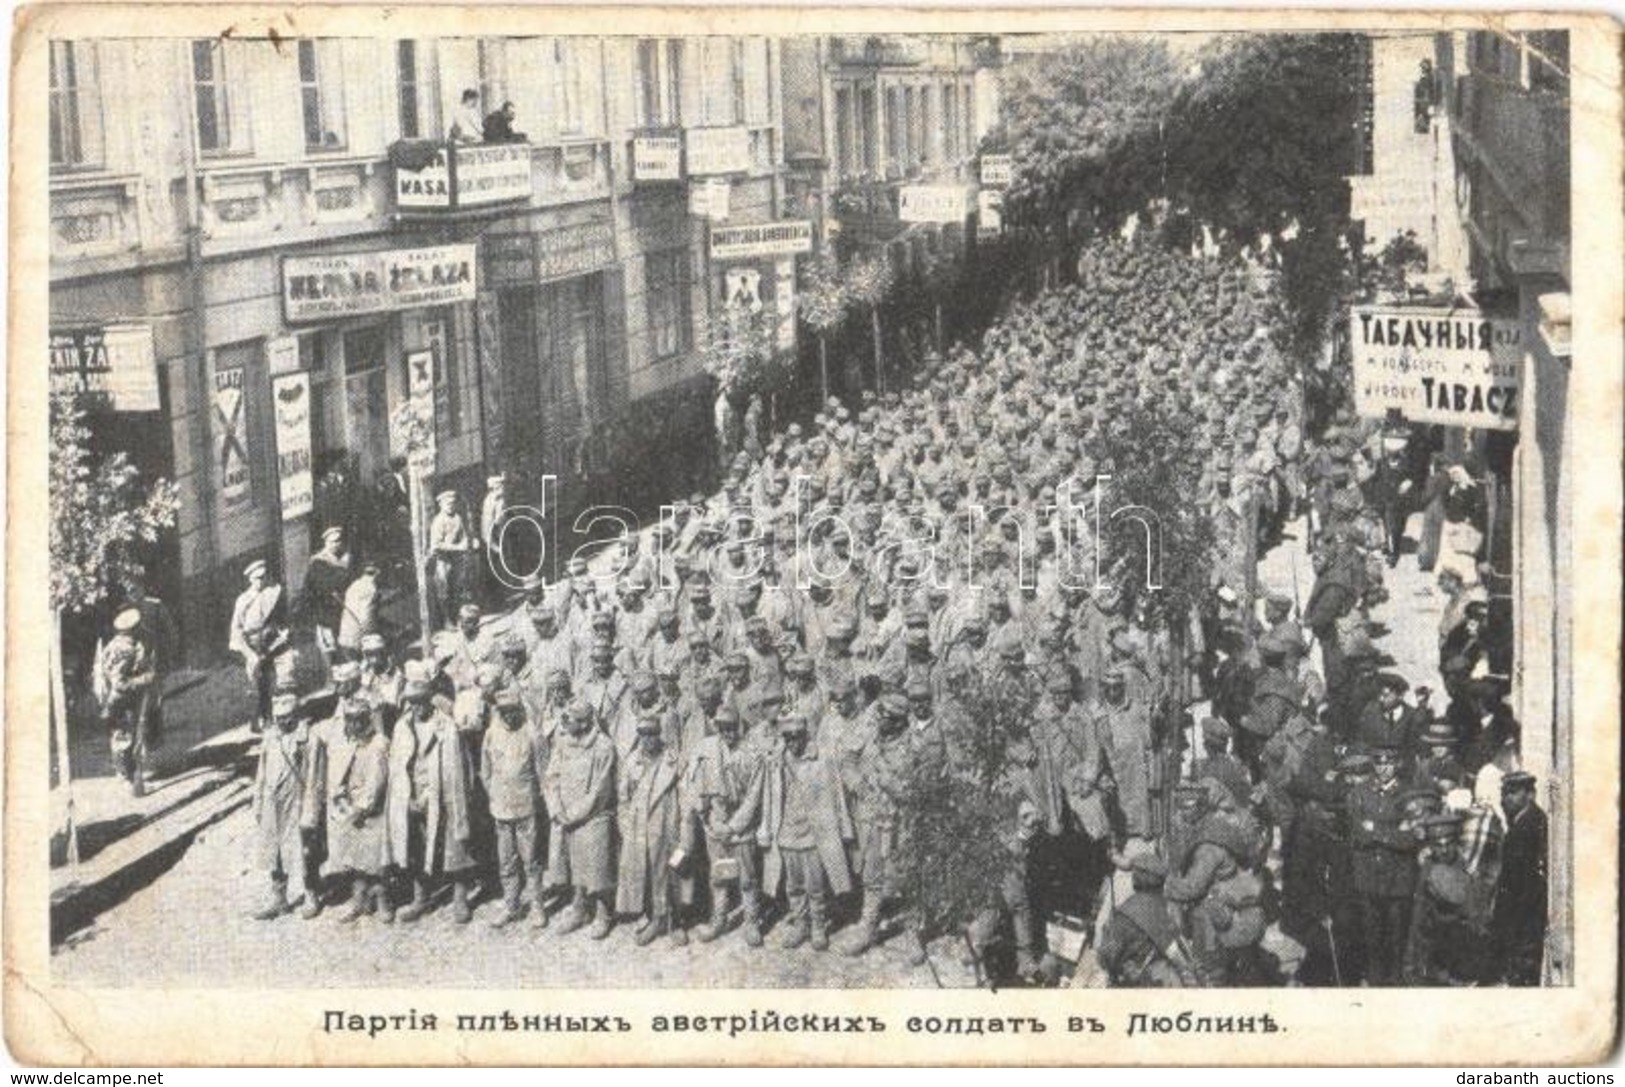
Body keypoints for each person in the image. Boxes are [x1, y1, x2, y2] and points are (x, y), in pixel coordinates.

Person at [727, 713, 856, 952]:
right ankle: (801, 924)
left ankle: (818, 925)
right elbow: (764, 796)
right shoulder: (775, 762)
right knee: (793, 886)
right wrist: (760, 828)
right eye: (788, 737)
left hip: (814, 834)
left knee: (816, 885)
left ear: (805, 735)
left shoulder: (822, 759)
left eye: (797, 737)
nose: (793, 742)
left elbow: (837, 796)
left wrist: (844, 829)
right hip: (785, 833)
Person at [387, 665, 478, 924]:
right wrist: (407, 798)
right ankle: (421, 896)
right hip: (412, 796)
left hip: (444, 795)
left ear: (430, 700)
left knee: (455, 844)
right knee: (415, 845)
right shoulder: (401, 727)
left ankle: (460, 898)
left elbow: (460, 770)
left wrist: (436, 797)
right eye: (412, 703)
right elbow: (397, 767)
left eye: (421, 702)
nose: (417, 708)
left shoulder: (446, 728)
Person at [686, 703, 765, 945]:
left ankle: (751, 921)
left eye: (732, 728)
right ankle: (719, 919)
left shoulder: (752, 754)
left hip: (742, 827)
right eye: (723, 729)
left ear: (739, 727)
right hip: (715, 824)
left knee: (747, 878)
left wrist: (734, 826)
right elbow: (693, 784)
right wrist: (707, 817)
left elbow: (754, 796)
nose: (728, 734)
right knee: (720, 875)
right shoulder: (705, 749)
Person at [310, 696, 391, 923]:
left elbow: (377, 781)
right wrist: (340, 792)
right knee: (356, 860)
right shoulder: (351, 742)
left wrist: (362, 807)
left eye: (359, 720)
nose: (354, 725)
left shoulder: (379, 744)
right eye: (350, 720)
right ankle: (359, 901)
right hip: (353, 808)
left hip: (373, 811)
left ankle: (383, 900)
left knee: (376, 860)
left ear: (367, 720)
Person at [543, 700, 619, 940]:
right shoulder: (563, 742)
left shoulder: (604, 746)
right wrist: (556, 809)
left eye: (571, 720)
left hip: (594, 816)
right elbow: (551, 776)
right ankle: (579, 909)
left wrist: (574, 814)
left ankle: (603, 914)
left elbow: (601, 789)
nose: (565, 724)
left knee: (597, 869)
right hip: (564, 816)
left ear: (586, 723)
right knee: (573, 865)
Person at [617, 710, 693, 946]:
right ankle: (654, 918)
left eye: (652, 734)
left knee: (675, 874)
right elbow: (623, 799)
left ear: (659, 734)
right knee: (648, 876)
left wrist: (685, 837)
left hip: (669, 828)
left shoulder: (675, 761)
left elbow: (687, 802)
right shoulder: (632, 762)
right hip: (640, 831)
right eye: (643, 734)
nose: (647, 739)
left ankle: (676, 922)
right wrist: (627, 829)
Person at [481, 686, 548, 929]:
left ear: (520, 709)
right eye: (504, 712)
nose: (509, 716)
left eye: (513, 711)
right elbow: (486, 771)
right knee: (506, 861)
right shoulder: (491, 734)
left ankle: (538, 906)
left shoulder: (532, 734)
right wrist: (495, 796)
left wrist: (538, 803)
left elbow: (543, 774)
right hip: (501, 809)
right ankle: (511, 905)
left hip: (526, 808)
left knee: (531, 860)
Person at [250, 693, 317, 920]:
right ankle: (279, 898)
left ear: (296, 715)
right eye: (277, 718)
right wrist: (258, 801)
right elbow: (261, 771)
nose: (281, 723)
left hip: (295, 801)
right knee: (274, 850)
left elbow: (314, 780)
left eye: (286, 718)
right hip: (272, 801)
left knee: (304, 850)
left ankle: (311, 894)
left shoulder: (309, 739)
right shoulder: (270, 737)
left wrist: (310, 812)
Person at [1095, 853, 1194, 987]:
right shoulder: (1166, 909)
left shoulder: (1124, 914)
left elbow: (1106, 957)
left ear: (1136, 879)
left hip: (1137, 984)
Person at [1492, 770, 1548, 985]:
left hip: (1525, 908)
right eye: (1505, 793)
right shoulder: (1524, 821)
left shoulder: (1529, 825)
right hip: (1521, 906)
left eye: (1512, 793)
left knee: (1522, 964)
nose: (1505, 799)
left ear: (1530, 795)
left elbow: (1521, 878)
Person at [95, 608, 158, 796]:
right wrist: (145, 679)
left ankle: (128, 776)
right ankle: (127, 778)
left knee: (125, 736)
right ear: (133, 629)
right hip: (120, 700)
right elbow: (119, 683)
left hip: (123, 699)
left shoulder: (121, 644)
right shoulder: (124, 649)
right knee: (124, 737)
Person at [229, 560, 292, 733]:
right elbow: (237, 630)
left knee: (283, 678)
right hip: (253, 647)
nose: (261, 581)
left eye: (263, 577)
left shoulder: (275, 592)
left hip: (274, 642)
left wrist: (284, 632)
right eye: (257, 578)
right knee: (258, 686)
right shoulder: (243, 600)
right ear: (250, 579)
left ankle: (283, 714)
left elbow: (283, 617)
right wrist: (249, 654)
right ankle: (261, 719)